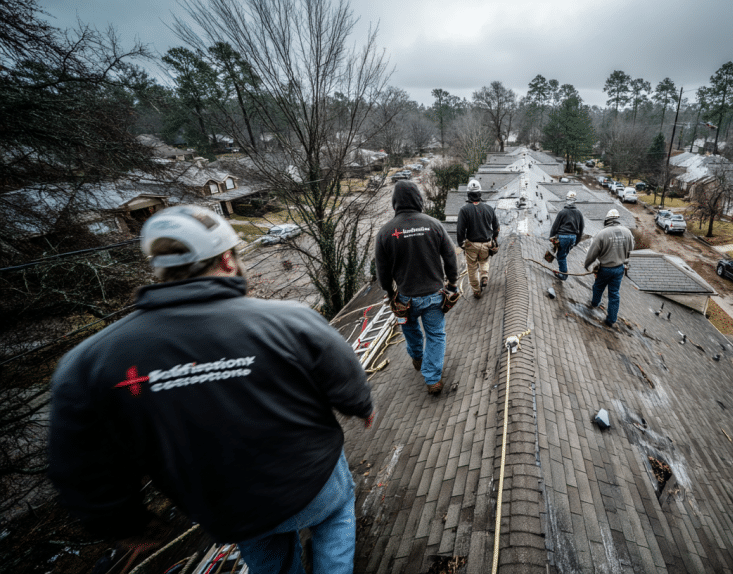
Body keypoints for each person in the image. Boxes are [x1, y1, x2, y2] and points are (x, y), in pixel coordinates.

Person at [48, 205, 374, 574]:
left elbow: (80, 461)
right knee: (335, 517)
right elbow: (341, 370)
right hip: (312, 480)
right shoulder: (290, 319)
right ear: (228, 259)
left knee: (269, 556)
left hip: (229, 508)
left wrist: (123, 522)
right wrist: (361, 405)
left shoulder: (89, 362)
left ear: (160, 269)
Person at [375, 180, 459, 395]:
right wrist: (452, 283)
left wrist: (390, 293)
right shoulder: (433, 224)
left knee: (410, 330)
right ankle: (432, 379)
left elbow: (382, 271)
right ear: (418, 199)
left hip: (405, 298)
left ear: (395, 202)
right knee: (435, 335)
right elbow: (450, 255)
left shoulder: (385, 233)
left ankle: (417, 358)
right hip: (434, 296)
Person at [585, 208, 635, 328]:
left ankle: (595, 303)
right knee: (614, 294)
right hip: (619, 269)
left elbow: (592, 253)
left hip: (605, 268)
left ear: (607, 220)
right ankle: (611, 319)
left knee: (598, 287)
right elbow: (631, 249)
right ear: (617, 219)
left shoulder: (602, 234)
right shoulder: (627, 232)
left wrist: (587, 264)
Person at [456, 179, 500, 299]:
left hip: (471, 244)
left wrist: (461, 244)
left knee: (472, 268)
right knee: (484, 261)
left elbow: (460, 230)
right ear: (480, 193)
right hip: (486, 243)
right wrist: (494, 240)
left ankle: (476, 291)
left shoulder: (464, 210)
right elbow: (496, 227)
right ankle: (484, 276)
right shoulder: (489, 208)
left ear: (468, 194)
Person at [548, 190, 584, 280]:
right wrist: (576, 241)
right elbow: (581, 229)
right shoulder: (579, 213)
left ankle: (563, 275)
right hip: (573, 238)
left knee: (561, 256)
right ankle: (563, 270)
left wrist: (551, 238)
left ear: (566, 200)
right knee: (563, 254)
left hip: (563, 237)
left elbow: (554, 227)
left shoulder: (562, 212)